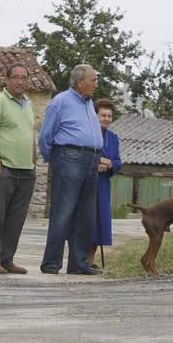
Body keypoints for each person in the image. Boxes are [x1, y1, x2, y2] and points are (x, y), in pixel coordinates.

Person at [38, 64, 103, 275]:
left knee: (85, 215)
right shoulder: (61, 101)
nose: (96, 84)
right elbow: (45, 136)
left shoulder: (89, 103)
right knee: (63, 212)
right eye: (93, 80)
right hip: (69, 159)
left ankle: (78, 263)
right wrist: (55, 160)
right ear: (79, 82)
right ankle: (51, 264)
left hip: (91, 160)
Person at [0, 63, 37, 274]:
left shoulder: (29, 104)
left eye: (24, 77)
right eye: (16, 77)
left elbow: (29, 134)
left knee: (16, 218)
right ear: (7, 79)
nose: (20, 81)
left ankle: (6, 259)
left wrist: (33, 160)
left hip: (26, 170)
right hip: (5, 170)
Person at [87, 98, 122, 268]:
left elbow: (117, 161)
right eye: (103, 115)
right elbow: (83, 155)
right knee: (86, 220)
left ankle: (90, 260)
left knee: (99, 221)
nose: (106, 119)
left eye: (109, 116)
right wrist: (98, 161)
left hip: (103, 184)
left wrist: (110, 164)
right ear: (95, 115)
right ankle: (79, 259)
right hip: (87, 182)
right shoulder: (87, 133)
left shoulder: (113, 138)